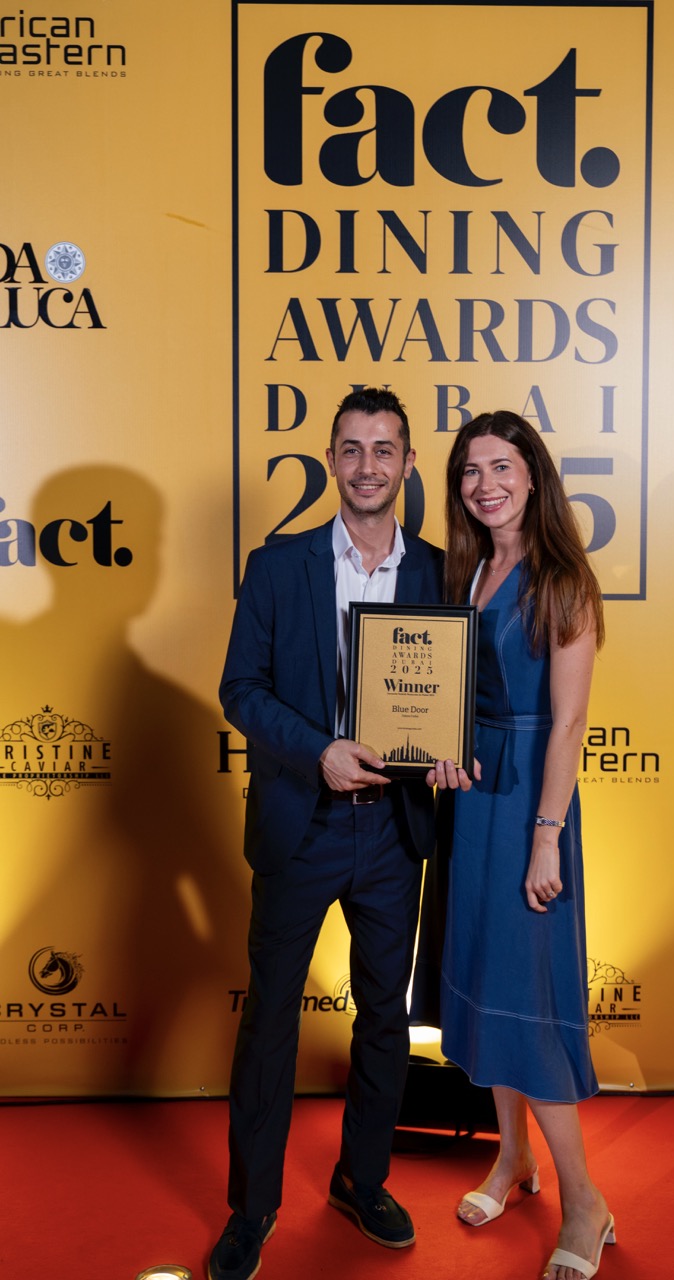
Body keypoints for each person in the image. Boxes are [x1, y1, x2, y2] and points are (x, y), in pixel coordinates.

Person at [210, 388, 447, 1280]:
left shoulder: (439, 573)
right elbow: (241, 690)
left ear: (408, 464)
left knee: (385, 1018)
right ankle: (253, 1209)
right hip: (299, 826)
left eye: (384, 450)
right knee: (270, 1020)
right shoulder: (278, 567)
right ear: (330, 461)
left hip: (392, 830)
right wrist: (319, 751)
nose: (366, 466)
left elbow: (460, 697)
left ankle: (361, 1179)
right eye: (351, 449)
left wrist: (450, 749)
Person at [429, 411, 613, 1280]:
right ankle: (512, 1160)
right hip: (476, 801)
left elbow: (568, 723)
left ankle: (585, 1203)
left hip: (532, 809)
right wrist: (443, 748)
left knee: (528, 1008)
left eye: (501, 467)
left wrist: (547, 839)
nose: (485, 485)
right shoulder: (468, 569)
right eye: (470, 471)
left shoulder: (562, 578)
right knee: (486, 996)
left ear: (533, 474)